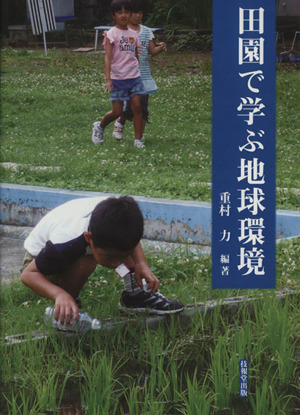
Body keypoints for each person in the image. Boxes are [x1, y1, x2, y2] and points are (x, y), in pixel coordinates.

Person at [20, 196, 184, 326]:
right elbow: (28, 274)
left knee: (121, 245)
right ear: (88, 238)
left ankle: (135, 296)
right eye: (110, 258)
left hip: (84, 242)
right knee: (86, 261)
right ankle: (69, 306)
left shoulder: (120, 215)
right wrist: (59, 294)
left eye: (120, 258)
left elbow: (130, 238)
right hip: (40, 263)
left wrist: (141, 263)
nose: (116, 264)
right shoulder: (65, 243)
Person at [92, 0, 145, 148]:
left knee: (137, 106)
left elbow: (135, 55)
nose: (124, 15)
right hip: (118, 79)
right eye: (120, 12)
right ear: (113, 15)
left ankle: (138, 139)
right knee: (117, 111)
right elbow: (108, 57)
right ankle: (99, 126)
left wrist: (138, 72)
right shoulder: (111, 34)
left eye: (127, 12)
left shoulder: (134, 34)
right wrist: (108, 79)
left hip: (134, 77)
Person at [112, 0, 166, 143]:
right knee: (128, 106)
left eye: (140, 13)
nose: (137, 16)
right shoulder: (122, 32)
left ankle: (139, 137)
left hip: (144, 75)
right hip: (127, 75)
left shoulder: (147, 31)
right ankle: (120, 121)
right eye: (134, 13)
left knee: (142, 107)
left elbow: (152, 50)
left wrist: (160, 48)